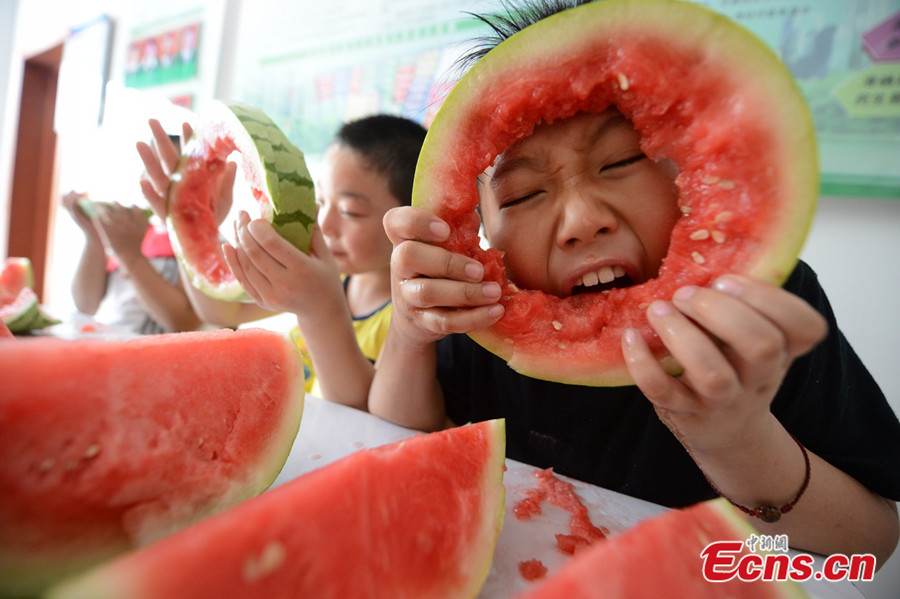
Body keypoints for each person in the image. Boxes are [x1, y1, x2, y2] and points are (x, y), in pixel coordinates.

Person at [368, 0, 900, 566]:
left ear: (692, 170)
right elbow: (404, 439)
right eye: (522, 194)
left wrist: (739, 439)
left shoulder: (762, 307)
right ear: (480, 230)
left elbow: (869, 542)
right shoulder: (481, 314)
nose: (581, 222)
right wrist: (409, 333)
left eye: (622, 161)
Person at [136, 114, 427, 408]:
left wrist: (320, 309)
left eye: (351, 211)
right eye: (321, 201)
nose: (324, 223)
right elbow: (222, 311)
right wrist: (193, 229)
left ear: (413, 217)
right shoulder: (327, 275)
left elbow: (366, 414)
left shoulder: (412, 317)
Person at [61, 190, 203, 335]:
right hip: (109, 344)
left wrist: (130, 255)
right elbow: (85, 305)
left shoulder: (197, 244)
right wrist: (93, 236)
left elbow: (182, 323)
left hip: (154, 351)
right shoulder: (130, 234)